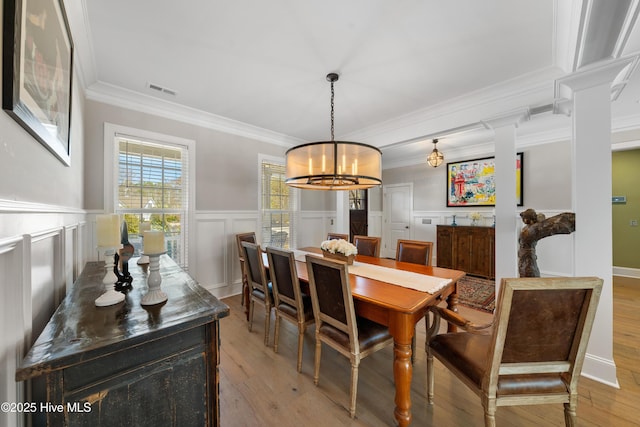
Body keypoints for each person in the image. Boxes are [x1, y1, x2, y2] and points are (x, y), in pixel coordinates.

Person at [518, 209, 575, 277]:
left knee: (528, 273)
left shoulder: (528, 229)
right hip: (527, 259)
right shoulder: (529, 230)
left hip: (526, 258)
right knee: (528, 273)